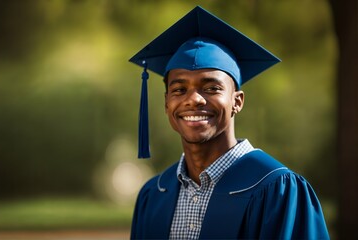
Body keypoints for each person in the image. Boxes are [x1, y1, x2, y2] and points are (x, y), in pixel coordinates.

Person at [128, 6, 329, 239]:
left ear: (237, 102)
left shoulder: (277, 189)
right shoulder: (154, 194)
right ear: (166, 104)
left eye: (212, 88)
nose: (193, 99)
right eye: (179, 89)